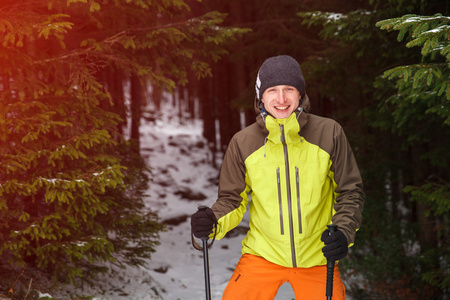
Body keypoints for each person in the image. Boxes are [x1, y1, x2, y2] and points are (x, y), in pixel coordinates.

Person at [191, 55, 365, 299]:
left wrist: (344, 232)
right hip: (262, 256)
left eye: (289, 89)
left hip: (317, 257)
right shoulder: (243, 142)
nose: (281, 99)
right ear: (261, 96)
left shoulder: (329, 133)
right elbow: (232, 200)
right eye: (272, 90)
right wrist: (211, 223)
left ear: (300, 94)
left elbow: (350, 191)